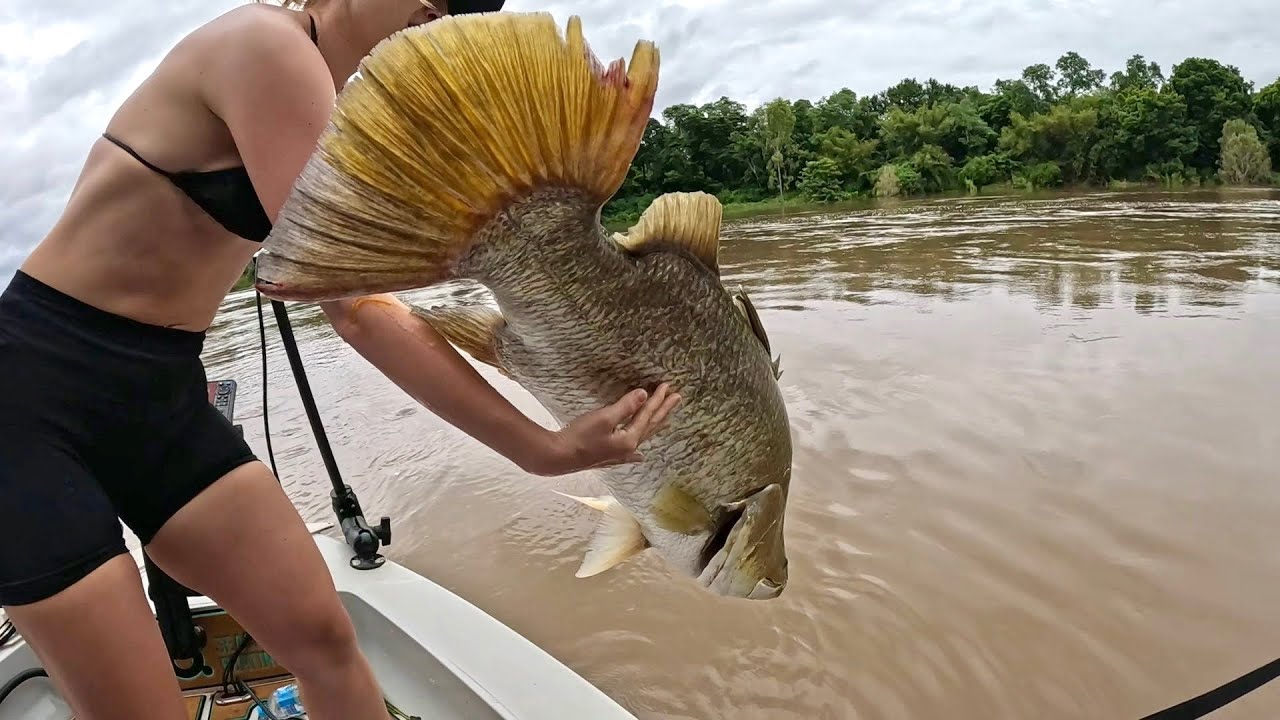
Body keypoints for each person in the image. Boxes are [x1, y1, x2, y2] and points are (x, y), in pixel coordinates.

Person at [0, 1, 681, 718]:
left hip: (157, 391)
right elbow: (356, 306)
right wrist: (542, 448)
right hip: (26, 403)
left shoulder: (340, 107)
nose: (437, 10)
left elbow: (395, 272)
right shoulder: (266, 45)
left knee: (327, 642)